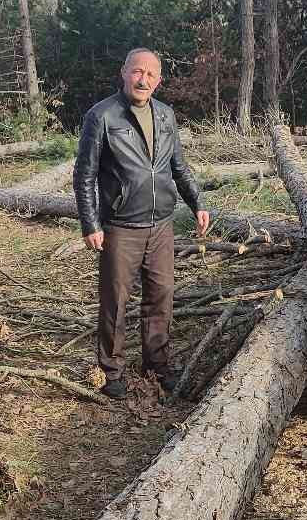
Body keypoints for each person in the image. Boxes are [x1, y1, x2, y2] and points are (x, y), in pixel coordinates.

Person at [73, 47, 211, 399]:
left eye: (150, 74)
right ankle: (112, 370)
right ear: (124, 73)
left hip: (161, 225)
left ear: (159, 81)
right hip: (120, 226)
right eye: (137, 72)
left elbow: (178, 165)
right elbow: (84, 174)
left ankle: (156, 362)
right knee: (115, 301)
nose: (143, 79)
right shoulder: (101, 116)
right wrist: (91, 224)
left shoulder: (165, 115)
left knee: (160, 298)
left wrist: (197, 202)